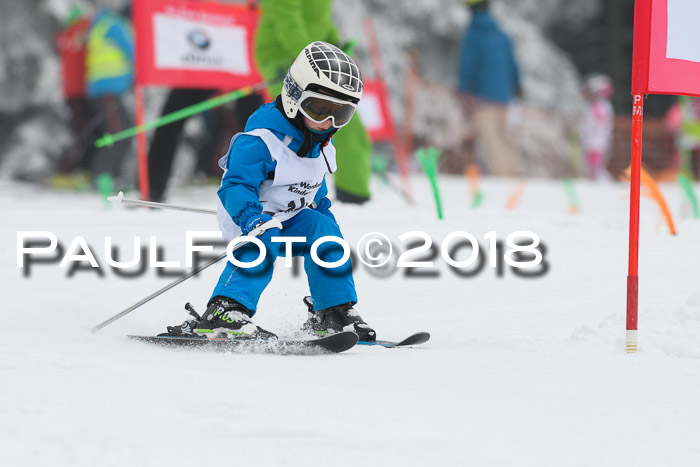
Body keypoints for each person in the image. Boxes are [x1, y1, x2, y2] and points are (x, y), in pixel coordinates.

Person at [164, 42, 376, 341]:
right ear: (294, 97)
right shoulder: (261, 141)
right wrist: (251, 218)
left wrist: (323, 216)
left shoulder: (320, 144)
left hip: (291, 215)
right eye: (319, 109)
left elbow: (315, 190)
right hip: (248, 213)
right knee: (265, 235)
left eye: (340, 115)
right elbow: (235, 185)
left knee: (324, 230)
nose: (329, 122)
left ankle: (333, 310)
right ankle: (226, 309)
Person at [255, 0, 372, 204]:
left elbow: (321, 23)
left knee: (343, 122)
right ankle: (274, 190)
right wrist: (310, 58)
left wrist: (338, 50)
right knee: (299, 120)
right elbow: (287, 19)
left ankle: (352, 194)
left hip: (313, 61)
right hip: (284, 58)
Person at [458, 0, 524, 176]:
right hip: (503, 97)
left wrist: (465, 92)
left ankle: (504, 180)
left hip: (483, 99)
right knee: (505, 137)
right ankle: (517, 173)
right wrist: (516, 86)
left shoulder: (474, 35)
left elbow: (468, 66)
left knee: (491, 141)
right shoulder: (501, 34)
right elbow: (512, 64)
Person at [83, 6, 134, 186]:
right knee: (120, 136)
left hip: (105, 89)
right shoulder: (115, 25)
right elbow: (134, 52)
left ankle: (109, 178)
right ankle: (103, 179)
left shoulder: (103, 24)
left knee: (118, 134)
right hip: (108, 89)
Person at [579, 74, 614, 181]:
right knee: (593, 168)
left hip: (595, 142)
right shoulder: (604, 106)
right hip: (597, 141)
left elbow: (592, 125)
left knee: (595, 169)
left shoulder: (599, 107)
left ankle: (605, 185)